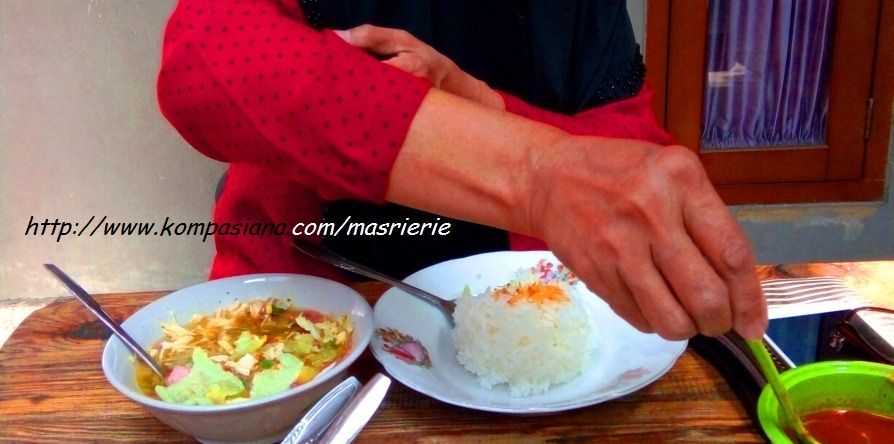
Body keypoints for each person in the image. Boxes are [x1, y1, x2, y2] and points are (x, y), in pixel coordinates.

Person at [157, 0, 768, 341]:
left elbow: (627, 153)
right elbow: (203, 58)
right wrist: (535, 175)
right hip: (303, 310)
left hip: (508, 315)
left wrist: (474, 98)